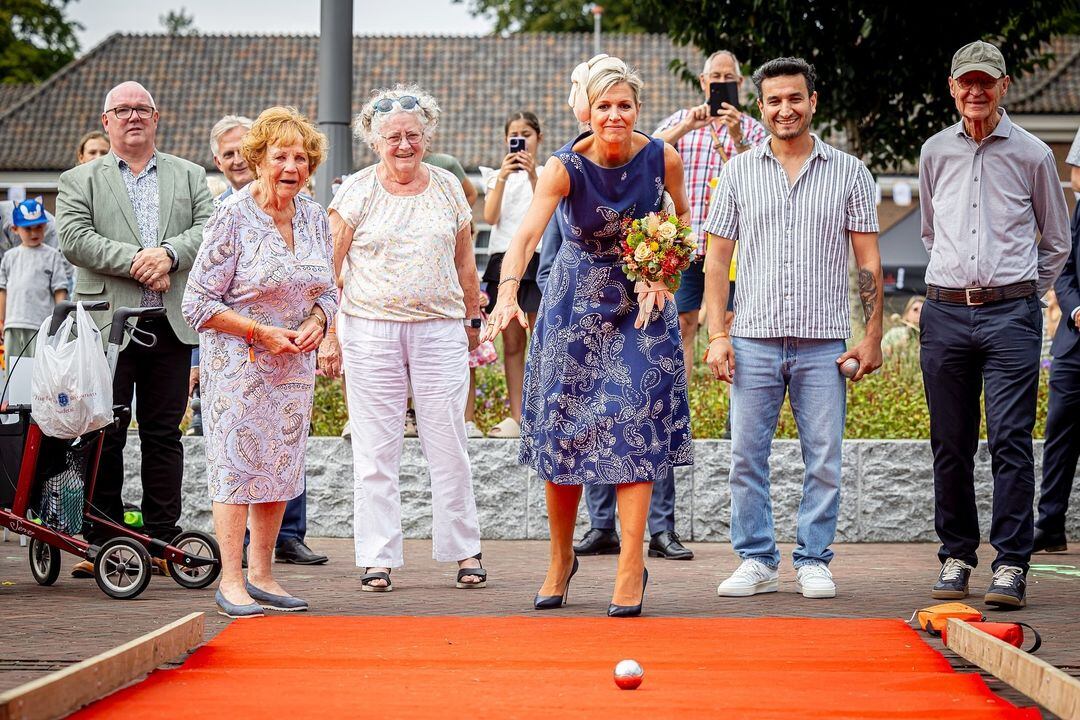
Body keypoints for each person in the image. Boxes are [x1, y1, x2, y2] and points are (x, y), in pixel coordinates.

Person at [486, 54, 693, 617]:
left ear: (637, 109)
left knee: (635, 424)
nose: (615, 115)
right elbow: (525, 238)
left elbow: (683, 225)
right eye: (604, 106)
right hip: (574, 308)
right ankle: (560, 558)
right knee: (564, 433)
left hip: (641, 308)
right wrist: (507, 292)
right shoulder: (562, 168)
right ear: (590, 110)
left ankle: (630, 566)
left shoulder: (663, 157)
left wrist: (662, 272)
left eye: (624, 105)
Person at [704, 57, 883, 601]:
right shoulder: (736, 171)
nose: (786, 109)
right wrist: (716, 336)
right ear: (761, 107)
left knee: (824, 457)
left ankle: (813, 559)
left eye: (795, 98)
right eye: (775, 100)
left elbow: (868, 262)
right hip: (752, 337)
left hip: (823, 340)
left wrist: (872, 335)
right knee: (745, 457)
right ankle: (756, 560)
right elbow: (715, 261)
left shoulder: (849, 172)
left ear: (813, 101)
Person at [919, 41, 1070, 608]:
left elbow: (1056, 241)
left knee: (1010, 439)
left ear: (1004, 86)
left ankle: (1011, 563)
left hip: (1012, 314)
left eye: (987, 82)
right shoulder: (934, 152)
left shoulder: (1033, 155)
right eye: (967, 82)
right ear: (953, 87)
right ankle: (956, 556)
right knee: (950, 443)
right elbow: (932, 233)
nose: (976, 92)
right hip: (946, 312)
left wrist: (1022, 291)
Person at [318, 84, 486, 593]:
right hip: (370, 328)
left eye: (413, 135)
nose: (405, 145)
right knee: (374, 449)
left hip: (439, 329)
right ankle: (377, 557)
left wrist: (474, 323)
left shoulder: (448, 188)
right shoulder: (356, 191)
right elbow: (327, 267)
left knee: (449, 443)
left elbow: (464, 262)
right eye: (393, 136)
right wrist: (329, 334)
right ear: (375, 141)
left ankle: (464, 551)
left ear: (427, 136)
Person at [182, 106, 336, 618]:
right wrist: (259, 331)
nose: (291, 166)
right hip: (239, 368)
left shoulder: (315, 216)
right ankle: (230, 581)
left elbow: (329, 289)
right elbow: (198, 303)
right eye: (280, 156)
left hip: (293, 369)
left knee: (278, 469)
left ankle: (264, 574)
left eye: (301, 157)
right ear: (259, 159)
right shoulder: (231, 215)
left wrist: (319, 318)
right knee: (237, 467)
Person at [57, 81, 215, 578]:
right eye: (121, 110)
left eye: (141, 109)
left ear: (156, 117)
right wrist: (138, 261)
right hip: (107, 328)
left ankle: (163, 538)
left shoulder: (190, 176)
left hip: (170, 325)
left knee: (164, 435)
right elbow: (74, 239)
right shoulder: (78, 179)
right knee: (105, 431)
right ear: (106, 121)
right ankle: (101, 539)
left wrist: (169, 254)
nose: (132, 118)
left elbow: (209, 230)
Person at [654, 50, 767, 383]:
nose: (720, 83)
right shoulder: (683, 119)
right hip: (687, 242)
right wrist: (688, 124)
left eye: (727, 78)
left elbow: (766, 176)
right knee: (682, 322)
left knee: (732, 323)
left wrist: (737, 137)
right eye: (714, 78)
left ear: (740, 84)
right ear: (703, 82)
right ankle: (681, 408)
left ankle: (736, 413)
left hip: (736, 248)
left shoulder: (752, 128)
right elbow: (646, 150)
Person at [478, 111, 547, 439]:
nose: (520, 140)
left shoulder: (547, 173)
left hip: (536, 257)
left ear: (538, 138)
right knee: (512, 343)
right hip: (502, 259)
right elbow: (490, 216)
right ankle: (518, 416)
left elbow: (546, 213)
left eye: (527, 134)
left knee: (543, 338)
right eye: (514, 135)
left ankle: (543, 413)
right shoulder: (494, 176)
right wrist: (503, 177)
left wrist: (534, 176)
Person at [1033, 126, 1080, 555]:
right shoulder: (1077, 212)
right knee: (1059, 435)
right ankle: (1049, 526)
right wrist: (1077, 309)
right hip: (1074, 345)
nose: (1074, 177)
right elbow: (1063, 268)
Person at [0, 198, 69, 369]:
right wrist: (1, 320)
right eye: (27, 228)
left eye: (38, 226)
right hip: (13, 322)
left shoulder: (53, 255)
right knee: (12, 366)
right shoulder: (9, 257)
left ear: (46, 225)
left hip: (40, 322)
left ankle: (36, 397)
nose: (33, 233)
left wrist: (59, 319)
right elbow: (3, 290)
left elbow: (60, 289)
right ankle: (13, 396)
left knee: (38, 366)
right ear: (14, 229)